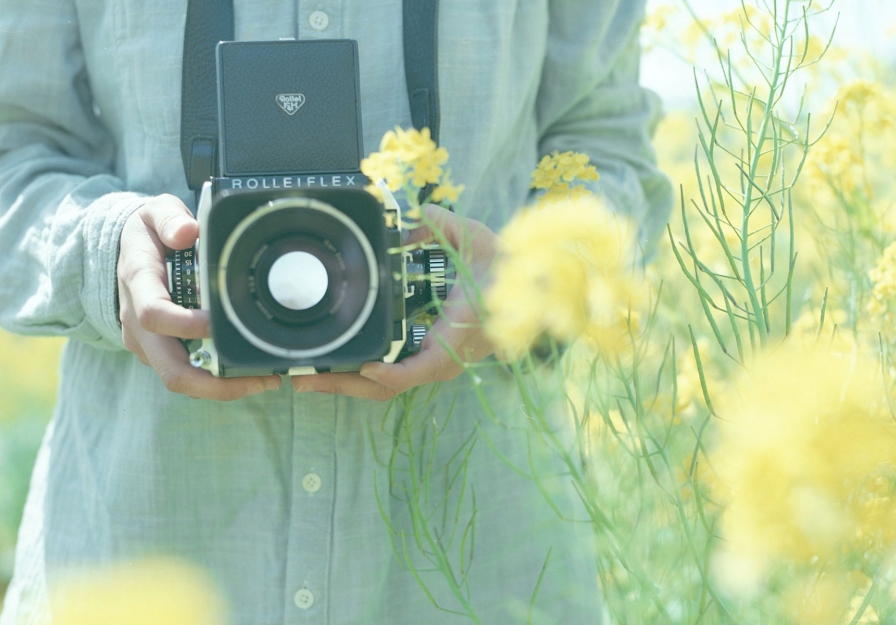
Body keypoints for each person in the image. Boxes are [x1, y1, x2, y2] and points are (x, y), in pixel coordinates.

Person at [0, 1, 671, 623]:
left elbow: (607, 146)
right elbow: (13, 151)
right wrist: (107, 251)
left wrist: (527, 280)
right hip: (138, 556)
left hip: (479, 556)